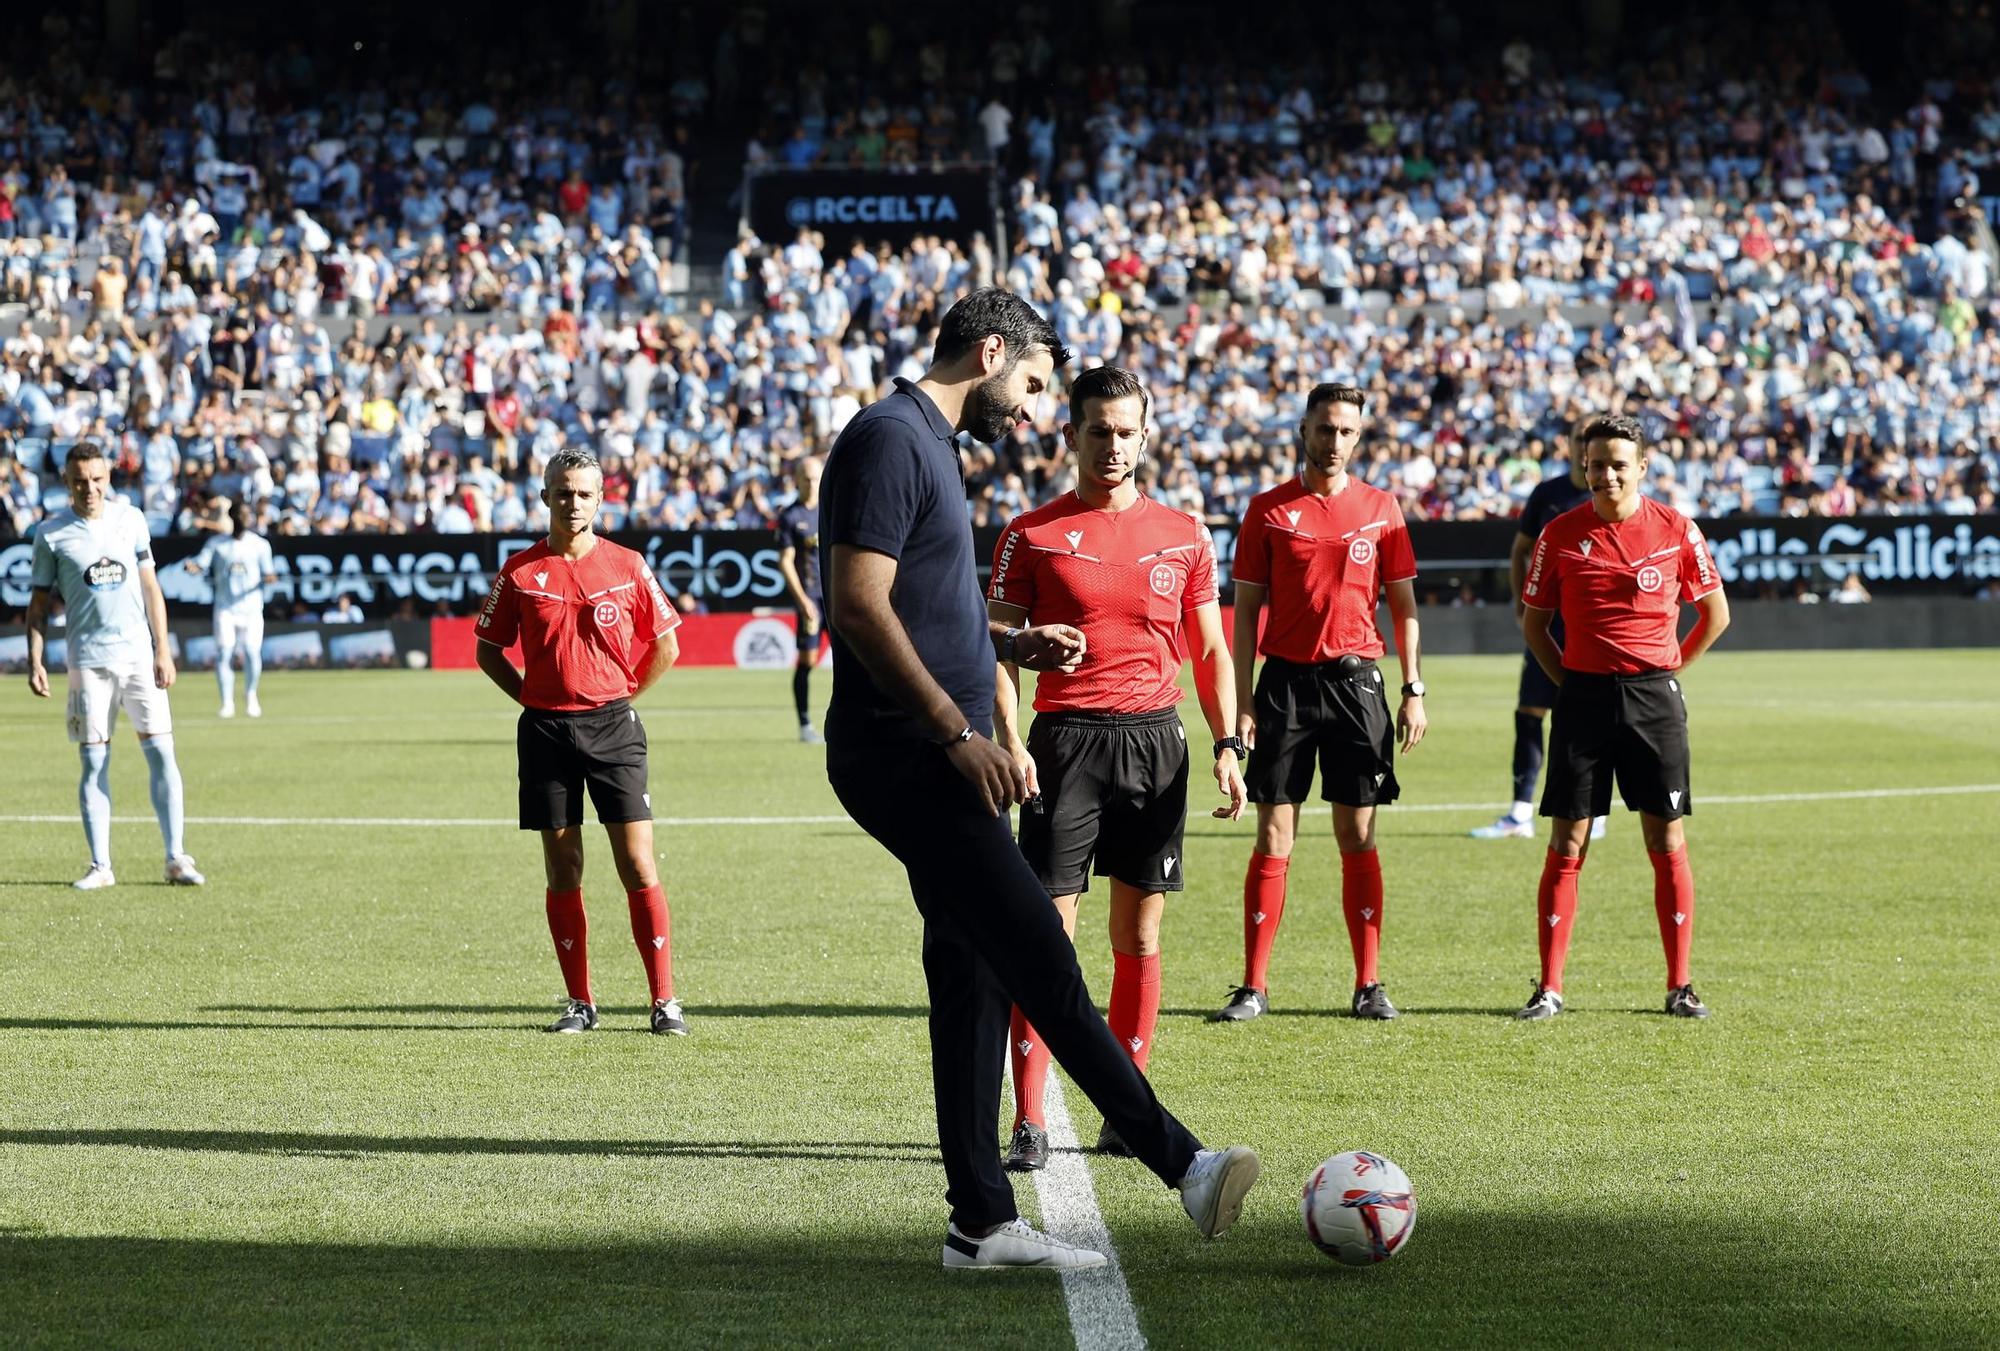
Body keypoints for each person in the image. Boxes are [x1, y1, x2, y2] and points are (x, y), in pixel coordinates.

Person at [820, 288, 1260, 1272]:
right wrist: (954, 731)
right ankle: (1185, 1165)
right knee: (1040, 957)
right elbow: (857, 603)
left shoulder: (927, 445)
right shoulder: (891, 439)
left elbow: (927, 604)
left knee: (968, 970)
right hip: (911, 753)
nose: (1026, 406)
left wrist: (1008, 640)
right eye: (1026, 382)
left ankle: (978, 1221)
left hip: (929, 746)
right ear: (988, 351)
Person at [986, 365, 1247, 1173]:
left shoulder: (1184, 531)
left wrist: (1228, 744)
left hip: (1155, 744)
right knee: (1046, 939)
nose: (1112, 444)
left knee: (1139, 931)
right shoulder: (1027, 533)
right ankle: (1029, 1113)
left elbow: (1209, 649)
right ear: (1070, 435)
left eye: (1125, 430)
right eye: (1097, 429)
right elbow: (994, 646)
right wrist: (1012, 738)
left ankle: (1126, 1104)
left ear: (1145, 435)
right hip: (1065, 746)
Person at [1215, 383, 1427, 1024]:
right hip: (1284, 686)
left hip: (1358, 686)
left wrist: (1414, 688)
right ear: (1303, 431)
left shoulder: (1382, 507)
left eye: (1346, 432)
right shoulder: (1267, 510)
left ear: (1358, 438)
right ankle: (1253, 986)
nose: (1334, 442)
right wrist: (1245, 699)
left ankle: (1368, 985)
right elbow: (1245, 612)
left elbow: (1404, 606)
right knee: (1274, 834)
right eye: (1324, 429)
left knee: (1357, 834)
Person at [1516, 414, 1731, 1021]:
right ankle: (1550, 987)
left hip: (1654, 700)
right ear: (1583, 467)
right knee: (1567, 841)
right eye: (1595, 464)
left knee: (1666, 839)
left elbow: (1715, 614)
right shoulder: (1558, 533)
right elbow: (1533, 624)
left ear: (1642, 467)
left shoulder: (1676, 529)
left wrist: (1668, 674)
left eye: (1618, 464)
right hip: (1583, 699)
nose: (1606, 475)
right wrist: (1573, 683)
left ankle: (1680, 985)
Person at [474, 448, 689, 1037]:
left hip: (614, 726)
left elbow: (667, 644)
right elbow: (487, 649)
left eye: (584, 493)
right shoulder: (519, 572)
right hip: (545, 729)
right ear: (545, 496)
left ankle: (664, 1001)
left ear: (601, 500)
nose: (573, 502)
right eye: (563, 491)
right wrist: (529, 698)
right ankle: (580, 1002)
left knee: (637, 863)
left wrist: (623, 695)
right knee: (563, 865)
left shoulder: (627, 564)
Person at [26, 442, 204, 889]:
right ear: (67, 483)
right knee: (93, 764)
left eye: (97, 479)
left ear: (108, 479)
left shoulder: (131, 520)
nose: (90, 488)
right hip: (88, 664)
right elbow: (38, 605)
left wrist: (162, 649)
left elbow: (151, 588)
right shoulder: (51, 533)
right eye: (80, 481)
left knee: (163, 754)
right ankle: (101, 866)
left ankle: (176, 857)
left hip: (139, 658)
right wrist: (35, 659)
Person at [1472, 425, 1608, 841]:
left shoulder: (1607, 495)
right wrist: (1521, 605)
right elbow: (1520, 550)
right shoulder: (1547, 494)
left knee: (1594, 713)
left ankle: (1594, 807)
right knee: (1530, 711)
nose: (1584, 450)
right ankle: (1519, 812)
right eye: (1579, 441)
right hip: (1550, 623)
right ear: (1568, 446)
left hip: (1591, 626)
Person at [185, 501, 277, 718]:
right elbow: (201, 563)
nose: (245, 519)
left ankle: (251, 695)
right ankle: (227, 701)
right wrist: (193, 567)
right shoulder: (217, 544)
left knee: (252, 653)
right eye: (241, 514)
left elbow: (269, 572)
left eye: (248, 514)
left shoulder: (260, 545)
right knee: (224, 653)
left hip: (252, 608)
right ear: (233, 516)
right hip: (225, 607)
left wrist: (270, 578)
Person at [776, 454, 825, 743]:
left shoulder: (830, 509)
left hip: (834, 598)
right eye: (805, 478)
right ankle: (805, 724)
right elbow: (785, 562)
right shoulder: (790, 516)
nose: (810, 483)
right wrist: (802, 600)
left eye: (815, 478)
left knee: (855, 659)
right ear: (796, 480)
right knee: (807, 660)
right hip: (810, 598)